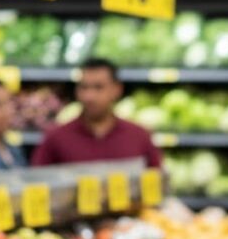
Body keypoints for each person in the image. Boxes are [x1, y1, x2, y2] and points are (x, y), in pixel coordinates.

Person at [31, 58, 161, 167]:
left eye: (98, 87)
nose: (89, 96)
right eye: (84, 87)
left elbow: (157, 181)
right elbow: (37, 181)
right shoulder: (56, 138)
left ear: (117, 89)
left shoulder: (139, 136)